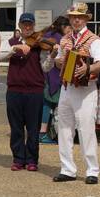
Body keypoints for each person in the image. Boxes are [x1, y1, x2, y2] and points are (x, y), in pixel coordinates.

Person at [52, 3, 100, 184]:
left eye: (80, 17)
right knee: (64, 128)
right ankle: (67, 169)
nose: (76, 20)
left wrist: (88, 68)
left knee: (86, 129)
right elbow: (59, 61)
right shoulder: (65, 39)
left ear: (86, 19)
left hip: (86, 89)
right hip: (66, 87)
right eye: (73, 16)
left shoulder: (94, 39)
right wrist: (60, 62)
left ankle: (92, 170)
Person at [0, 13, 47, 171]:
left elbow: (46, 67)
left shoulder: (40, 44)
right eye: (24, 24)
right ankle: (18, 158)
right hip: (15, 90)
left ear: (33, 26)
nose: (27, 27)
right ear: (19, 25)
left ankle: (32, 160)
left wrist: (52, 55)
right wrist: (16, 48)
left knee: (33, 128)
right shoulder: (11, 42)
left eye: (30, 25)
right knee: (16, 127)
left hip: (35, 90)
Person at [40, 15, 68, 146]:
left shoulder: (48, 34)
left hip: (46, 74)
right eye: (68, 27)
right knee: (53, 105)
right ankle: (47, 132)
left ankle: (44, 132)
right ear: (63, 26)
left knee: (47, 105)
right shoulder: (59, 38)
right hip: (53, 75)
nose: (70, 30)